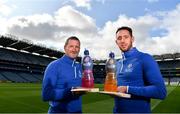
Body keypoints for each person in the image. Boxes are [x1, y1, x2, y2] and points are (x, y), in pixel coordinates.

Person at [114, 26, 167, 113]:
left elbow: (160, 92)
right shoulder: (118, 63)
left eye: (126, 37)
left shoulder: (145, 58)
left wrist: (127, 89)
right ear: (116, 42)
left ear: (132, 39)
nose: (122, 41)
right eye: (119, 38)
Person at [42, 36, 83, 113]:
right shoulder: (54, 66)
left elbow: (81, 88)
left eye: (77, 47)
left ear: (79, 49)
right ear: (65, 48)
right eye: (71, 46)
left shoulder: (79, 67)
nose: (74, 49)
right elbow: (46, 95)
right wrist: (70, 92)